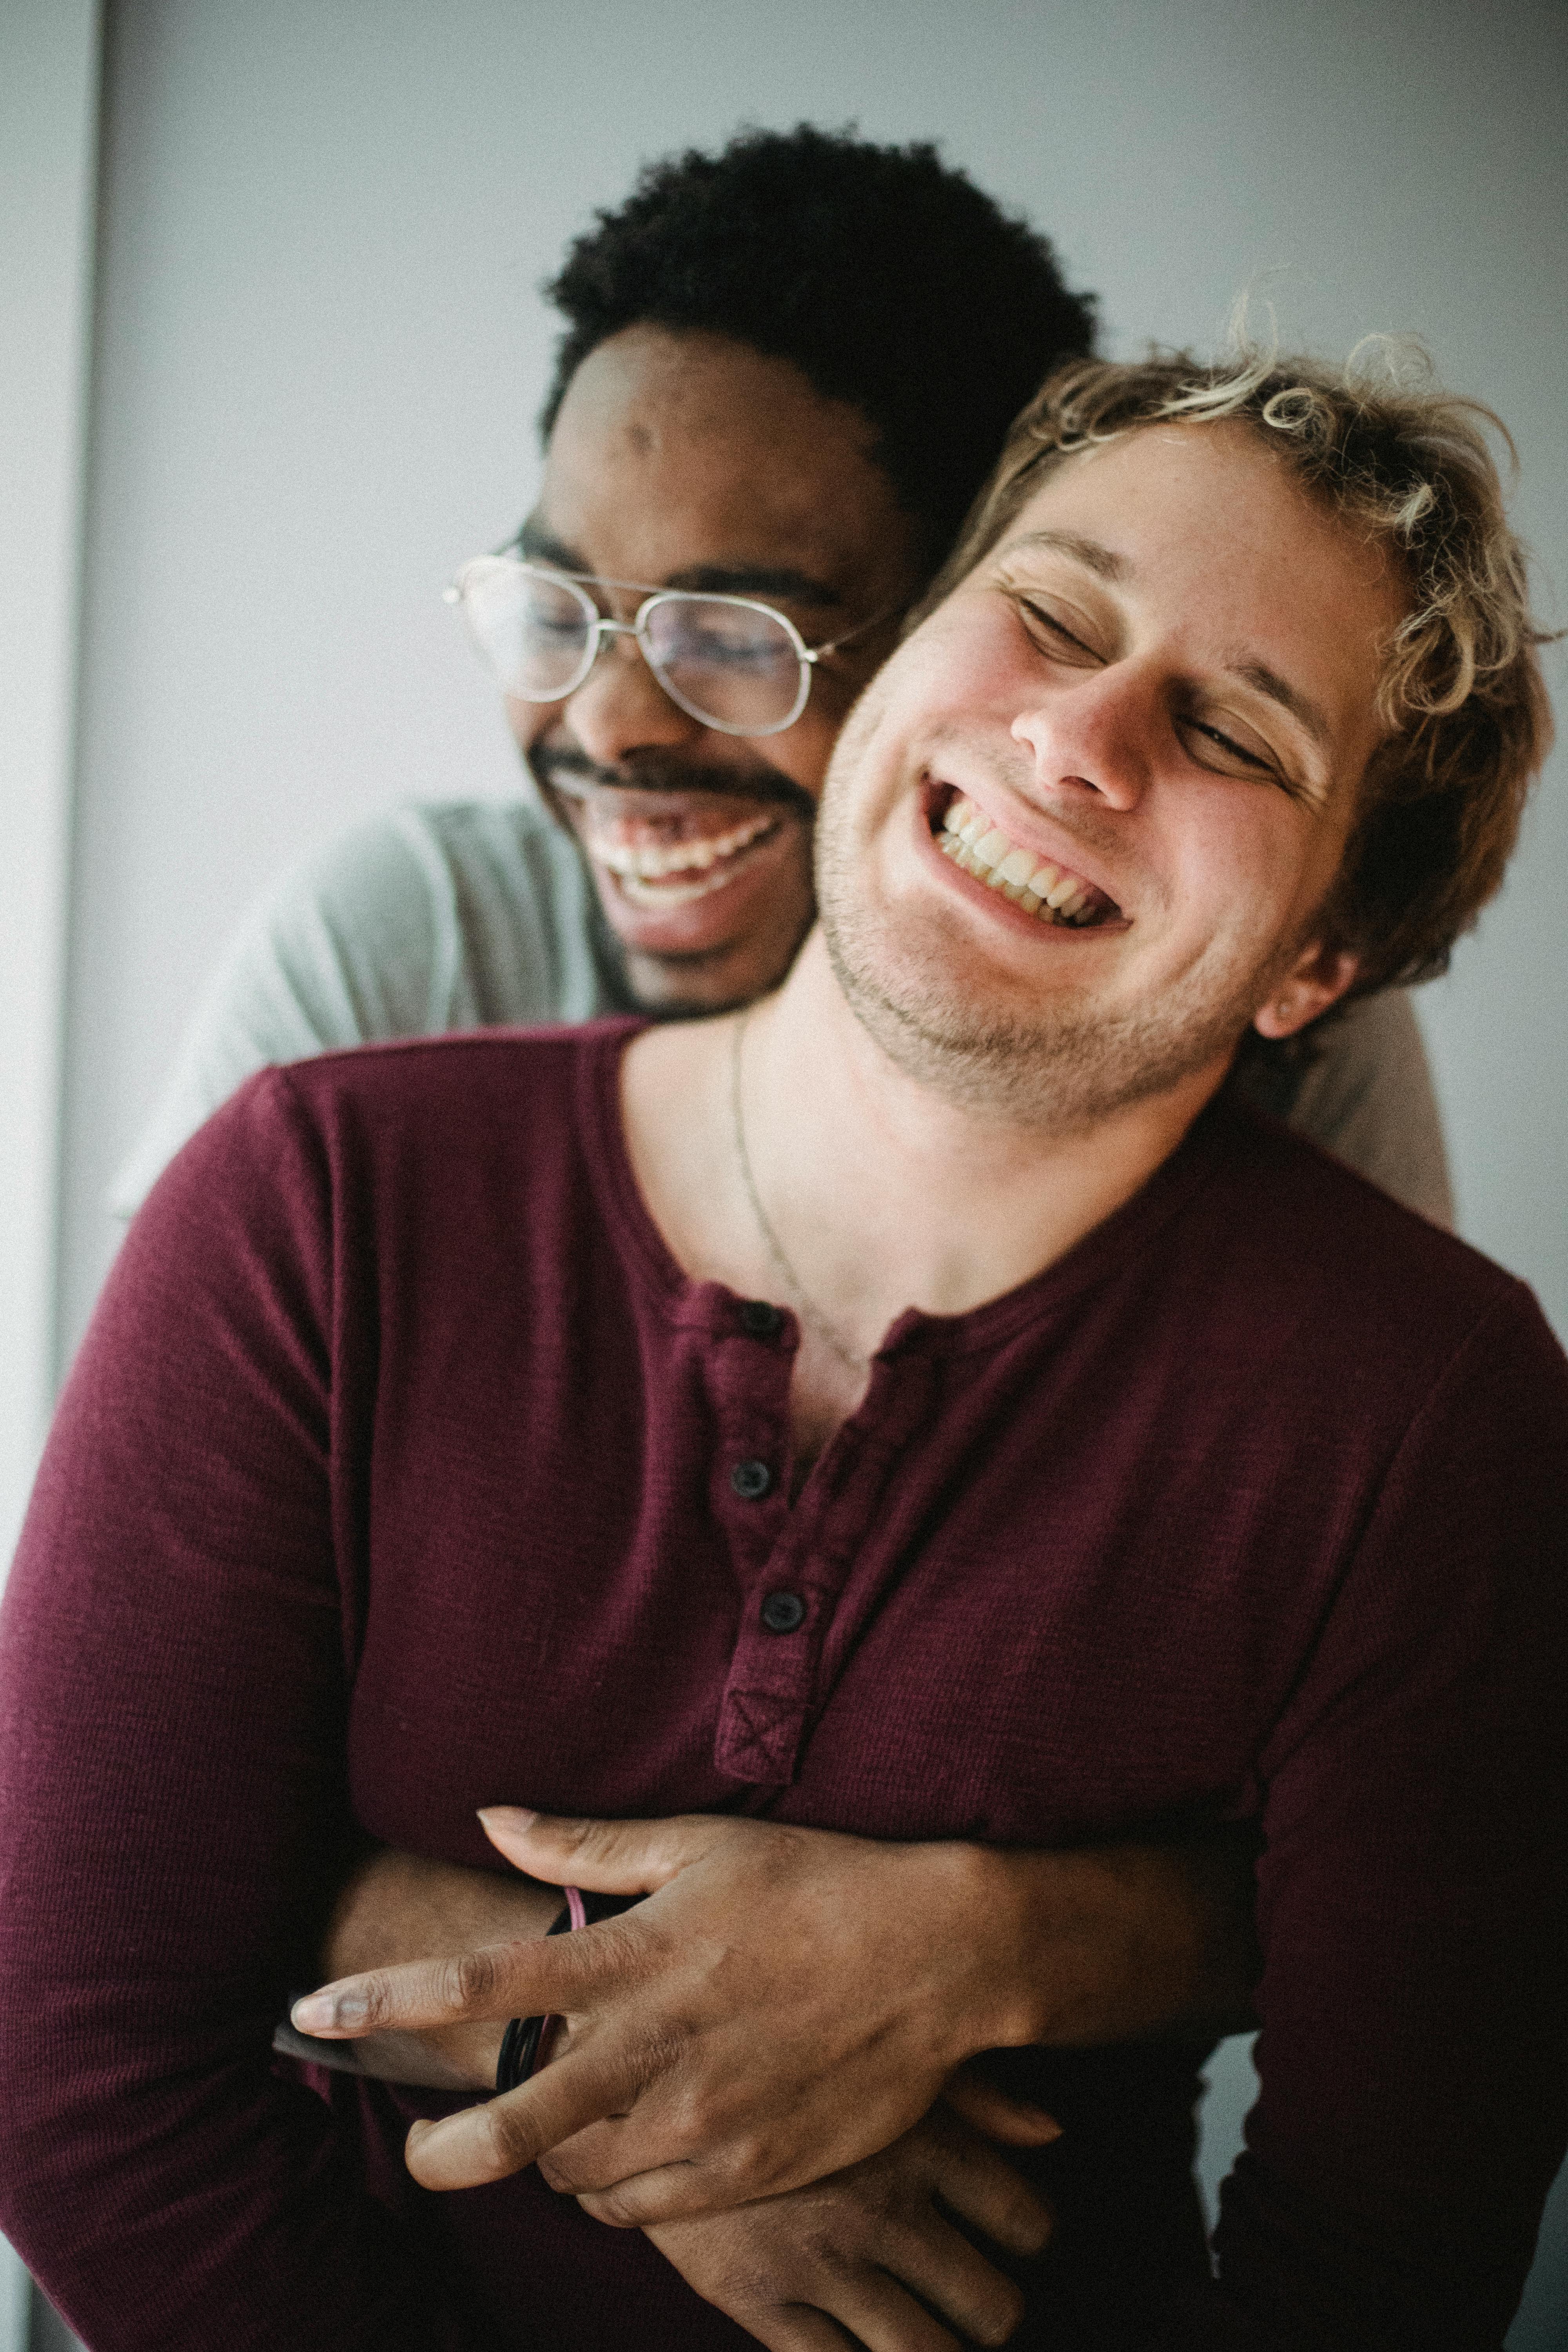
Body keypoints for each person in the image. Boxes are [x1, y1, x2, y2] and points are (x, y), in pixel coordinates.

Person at [1, 341, 1560, 2352]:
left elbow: (1380, 2261)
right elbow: (81, 2065)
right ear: (907, 655)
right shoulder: (317, 1200)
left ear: (1321, 962)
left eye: (1235, 734)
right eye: (1050, 614)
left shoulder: (1427, 1412)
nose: (1077, 742)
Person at [109, 128, 1452, 1225]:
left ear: (956, 627)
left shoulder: (1253, 1010)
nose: (608, 727)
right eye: (560, 606)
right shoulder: (395, 959)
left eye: (737, 639)